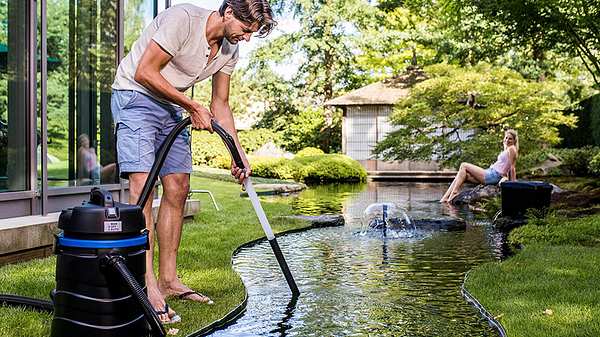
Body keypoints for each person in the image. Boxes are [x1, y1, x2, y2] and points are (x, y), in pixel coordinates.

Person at [110, 1, 275, 323]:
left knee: (179, 187)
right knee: (143, 187)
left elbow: (221, 104)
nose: (247, 38)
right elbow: (145, 71)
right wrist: (191, 105)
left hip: (172, 105)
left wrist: (237, 153)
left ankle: (170, 281)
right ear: (228, 12)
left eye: (253, 33)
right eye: (245, 30)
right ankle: (146, 285)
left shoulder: (230, 50)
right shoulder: (182, 19)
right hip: (135, 96)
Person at [440, 129, 518, 203]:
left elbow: (511, 167)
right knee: (464, 174)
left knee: (463, 165)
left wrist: (513, 184)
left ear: (514, 140)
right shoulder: (508, 149)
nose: (507, 140)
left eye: (510, 139)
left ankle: (454, 192)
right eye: (506, 138)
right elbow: (506, 166)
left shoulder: (512, 149)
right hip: (491, 173)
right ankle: (445, 198)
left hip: (493, 175)